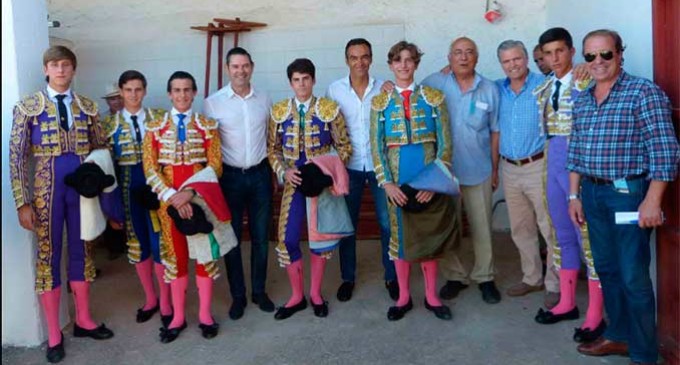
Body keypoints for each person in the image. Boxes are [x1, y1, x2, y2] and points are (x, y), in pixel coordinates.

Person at [568, 29, 679, 365]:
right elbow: (575, 150)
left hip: (628, 195)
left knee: (632, 275)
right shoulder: (584, 97)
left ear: (620, 54)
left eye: (606, 54)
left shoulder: (642, 92)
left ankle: (644, 354)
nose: (598, 62)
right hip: (592, 193)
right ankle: (619, 336)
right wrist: (574, 195)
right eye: (590, 56)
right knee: (605, 268)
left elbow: (665, 149)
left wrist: (653, 200)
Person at [9, 45, 114, 363]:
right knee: (48, 255)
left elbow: (103, 147)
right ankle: (54, 334)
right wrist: (22, 201)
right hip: (46, 188)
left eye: (66, 65)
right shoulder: (28, 107)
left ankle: (83, 320)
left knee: (84, 250)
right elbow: (16, 157)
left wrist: (96, 178)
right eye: (55, 65)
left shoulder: (88, 107)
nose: (60, 70)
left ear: (73, 70)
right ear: (46, 70)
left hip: (81, 189)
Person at [371, 40, 457, 321]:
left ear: (416, 64)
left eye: (409, 60)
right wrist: (386, 183)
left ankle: (431, 296)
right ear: (391, 65)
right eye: (398, 60)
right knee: (399, 237)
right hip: (397, 179)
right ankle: (404, 296)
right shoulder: (380, 102)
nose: (404, 65)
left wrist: (433, 184)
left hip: (426, 177)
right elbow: (377, 146)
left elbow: (445, 144)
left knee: (428, 236)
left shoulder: (433, 97)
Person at [533, 28, 605, 344]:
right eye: (548, 53)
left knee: (587, 238)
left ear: (572, 51)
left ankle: (596, 314)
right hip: (552, 166)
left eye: (560, 51)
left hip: (580, 170)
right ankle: (567, 302)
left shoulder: (587, 80)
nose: (554, 58)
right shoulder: (545, 87)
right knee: (560, 235)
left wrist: (589, 68)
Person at [267, 58, 351, 320]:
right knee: (288, 239)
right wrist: (284, 172)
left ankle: (315, 294)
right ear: (290, 83)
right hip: (293, 183)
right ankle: (296, 296)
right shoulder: (279, 111)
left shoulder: (329, 109)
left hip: (320, 184)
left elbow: (345, 147)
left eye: (305, 79)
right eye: (296, 80)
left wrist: (326, 173)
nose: (301, 84)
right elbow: (273, 149)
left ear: (313, 80)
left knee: (320, 239)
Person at [143, 71, 223, 343]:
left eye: (187, 90)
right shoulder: (154, 127)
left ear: (195, 92)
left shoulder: (207, 125)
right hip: (169, 200)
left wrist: (188, 194)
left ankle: (205, 315)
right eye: (177, 90)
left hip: (199, 195)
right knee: (175, 256)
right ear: (169, 93)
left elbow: (215, 166)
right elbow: (150, 167)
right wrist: (170, 195)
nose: (182, 95)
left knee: (204, 255)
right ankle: (177, 316)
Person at [422, 37, 501, 304]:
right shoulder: (435, 84)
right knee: (448, 227)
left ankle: (485, 277)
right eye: (458, 53)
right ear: (449, 57)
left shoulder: (489, 89)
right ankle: (455, 276)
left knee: (482, 228)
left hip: (479, 169)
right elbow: (406, 92)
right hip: (445, 173)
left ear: (476, 58)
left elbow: (495, 132)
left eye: (469, 53)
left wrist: (495, 169)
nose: (463, 57)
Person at [204, 47, 275, 320]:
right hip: (230, 178)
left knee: (260, 238)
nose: (241, 71)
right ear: (227, 68)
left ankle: (258, 291)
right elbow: (210, 145)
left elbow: (271, 138)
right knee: (231, 239)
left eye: (245, 66)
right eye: (235, 66)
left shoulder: (264, 99)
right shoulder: (213, 102)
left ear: (252, 67)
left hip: (259, 175)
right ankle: (237, 296)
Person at [326, 38, 398, 302]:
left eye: (365, 56)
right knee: (348, 224)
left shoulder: (384, 88)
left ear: (371, 58)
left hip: (380, 166)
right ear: (347, 60)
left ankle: (391, 276)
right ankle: (348, 277)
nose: (360, 62)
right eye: (354, 57)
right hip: (349, 167)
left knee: (386, 222)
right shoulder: (334, 90)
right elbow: (330, 131)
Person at [101, 70, 172, 327]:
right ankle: (151, 298)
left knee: (160, 243)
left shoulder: (160, 118)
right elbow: (107, 168)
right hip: (128, 187)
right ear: (121, 92)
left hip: (157, 185)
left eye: (138, 89)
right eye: (128, 90)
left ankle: (165, 301)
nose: (133, 95)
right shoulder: (108, 125)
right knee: (138, 243)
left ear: (145, 90)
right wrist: (110, 207)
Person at [494, 40, 560, 307]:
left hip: (538, 165)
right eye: (507, 61)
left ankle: (555, 283)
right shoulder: (497, 89)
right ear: (502, 64)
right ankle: (532, 277)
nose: (513, 65)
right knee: (521, 228)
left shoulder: (544, 84)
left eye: (517, 59)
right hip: (509, 168)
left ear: (527, 58)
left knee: (549, 226)